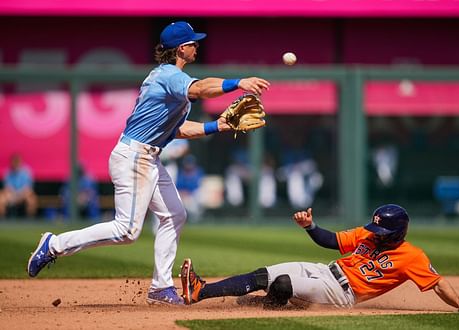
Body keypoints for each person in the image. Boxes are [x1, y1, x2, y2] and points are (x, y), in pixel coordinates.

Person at [27, 21, 270, 306]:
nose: (197, 46)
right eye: (193, 42)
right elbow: (202, 89)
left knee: (175, 215)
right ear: (181, 48)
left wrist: (215, 126)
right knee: (126, 230)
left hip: (148, 157)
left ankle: (160, 287)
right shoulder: (168, 75)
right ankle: (53, 244)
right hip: (134, 157)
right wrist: (237, 83)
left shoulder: (170, 80)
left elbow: (177, 130)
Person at [180, 204, 459, 311]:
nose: (374, 232)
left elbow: (437, 283)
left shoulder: (412, 256)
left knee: (282, 284)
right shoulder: (367, 233)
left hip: (341, 293)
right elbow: (332, 241)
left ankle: (267, 305)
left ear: (397, 232)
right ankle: (200, 290)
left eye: (381, 230)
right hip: (326, 271)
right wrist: (310, 226)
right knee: (265, 274)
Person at [0, 154, 38, 218]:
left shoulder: (26, 172)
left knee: (32, 198)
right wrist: (14, 195)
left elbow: (28, 187)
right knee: (1, 198)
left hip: (23, 194)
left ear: (20, 162)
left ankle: (30, 219)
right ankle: (2, 220)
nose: (16, 163)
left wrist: (20, 196)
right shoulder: (7, 172)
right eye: (14, 161)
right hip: (11, 194)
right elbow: (7, 187)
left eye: (17, 161)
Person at [176, 154, 205, 222]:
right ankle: (191, 218)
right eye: (187, 163)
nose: (189, 165)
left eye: (190, 163)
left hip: (194, 194)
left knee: (199, 196)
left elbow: (198, 186)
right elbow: (178, 186)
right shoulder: (181, 172)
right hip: (184, 195)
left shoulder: (199, 172)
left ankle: (196, 217)